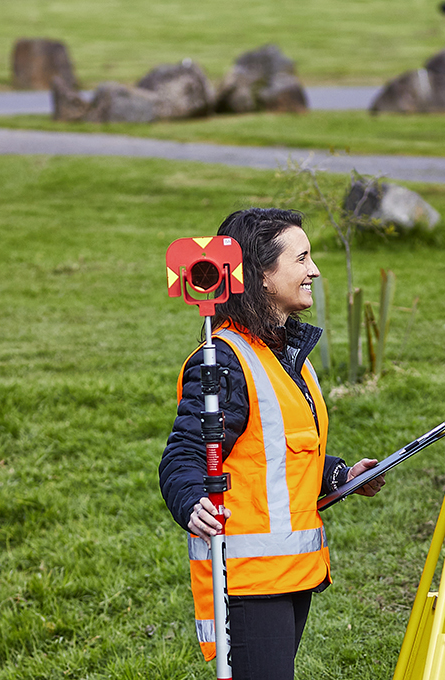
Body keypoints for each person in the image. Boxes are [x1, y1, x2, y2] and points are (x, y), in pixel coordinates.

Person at [159, 208, 385, 680]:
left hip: (289, 574)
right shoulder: (224, 359)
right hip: (248, 582)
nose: (314, 270)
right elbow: (185, 453)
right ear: (262, 275)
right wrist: (191, 502)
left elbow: (279, 451)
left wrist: (340, 475)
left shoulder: (284, 352)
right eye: (301, 258)